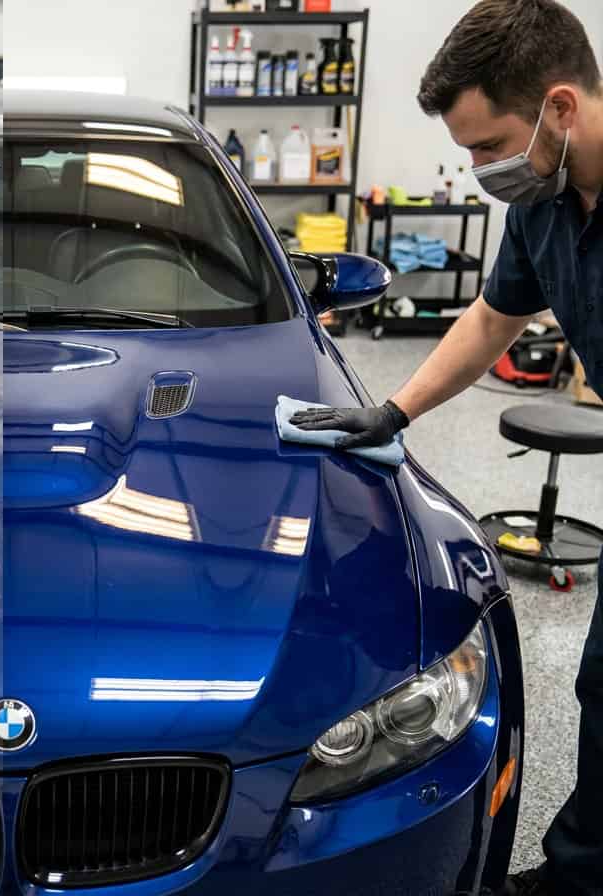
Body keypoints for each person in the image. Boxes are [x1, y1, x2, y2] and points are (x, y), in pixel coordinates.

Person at [291, 1, 601, 893]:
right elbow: (495, 316)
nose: (477, 170)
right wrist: (396, 410)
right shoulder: (544, 206)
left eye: (486, 144)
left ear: (560, 108)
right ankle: (581, 874)